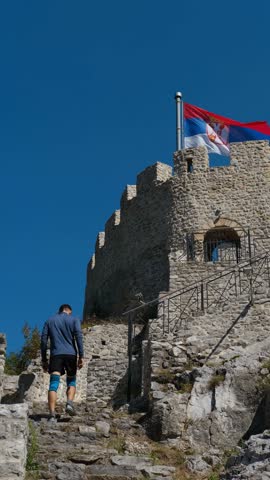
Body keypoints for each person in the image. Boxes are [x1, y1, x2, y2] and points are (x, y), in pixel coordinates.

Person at [40, 304, 84, 422]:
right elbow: (79, 336)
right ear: (69, 311)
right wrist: (81, 356)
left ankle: (52, 415)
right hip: (71, 354)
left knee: (53, 384)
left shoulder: (50, 320)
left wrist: (44, 359)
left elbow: (44, 341)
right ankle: (69, 403)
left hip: (56, 355)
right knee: (71, 380)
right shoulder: (74, 319)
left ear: (59, 311)